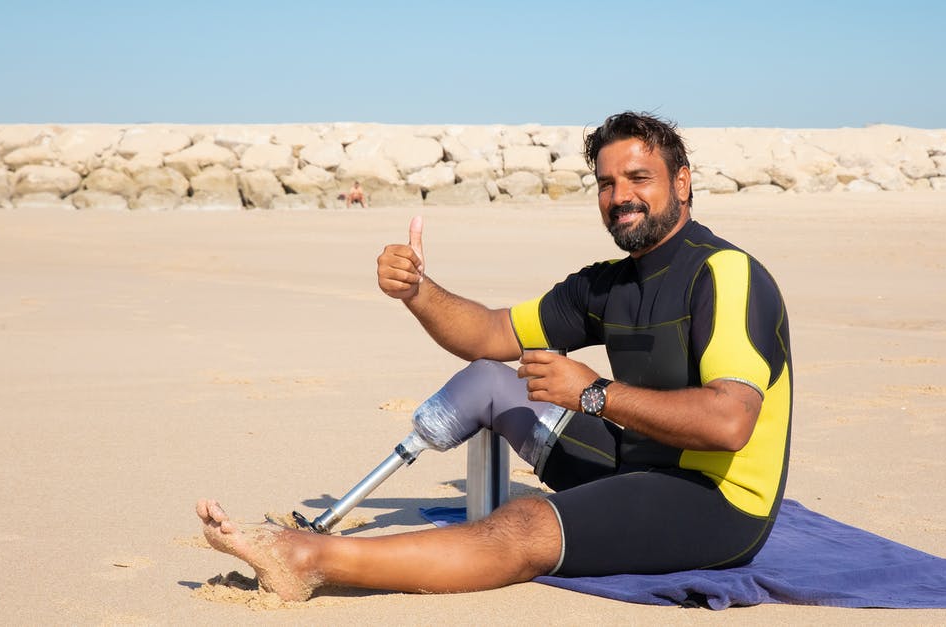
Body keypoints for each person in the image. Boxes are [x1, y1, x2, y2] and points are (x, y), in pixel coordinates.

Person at [196, 111, 793, 600]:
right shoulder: (607, 284)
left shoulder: (724, 274)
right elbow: (486, 333)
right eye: (607, 184)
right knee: (487, 379)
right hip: (637, 460)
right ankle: (336, 517)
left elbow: (729, 422)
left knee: (530, 525)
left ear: (682, 183)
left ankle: (309, 557)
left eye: (640, 178)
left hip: (715, 498)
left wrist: (592, 393)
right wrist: (417, 291)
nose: (621, 197)